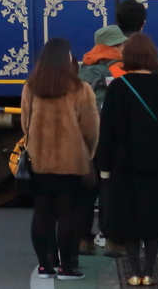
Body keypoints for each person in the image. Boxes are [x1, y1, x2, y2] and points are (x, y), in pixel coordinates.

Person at [98, 33, 158, 286]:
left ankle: (134, 273)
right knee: (153, 220)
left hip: (124, 166)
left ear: (127, 57)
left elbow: (107, 132)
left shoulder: (117, 88)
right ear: (151, 56)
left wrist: (104, 167)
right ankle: (150, 272)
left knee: (130, 219)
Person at [22, 38, 100, 281]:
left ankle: (45, 265)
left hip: (40, 160)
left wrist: (34, 144)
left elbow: (25, 123)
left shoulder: (32, 86)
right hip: (71, 161)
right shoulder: (81, 89)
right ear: (67, 60)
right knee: (69, 215)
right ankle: (67, 267)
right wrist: (87, 154)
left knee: (42, 213)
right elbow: (91, 129)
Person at [76, 25, 127, 259]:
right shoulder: (117, 69)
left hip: (85, 138)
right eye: (122, 44)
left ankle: (83, 240)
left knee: (86, 189)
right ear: (114, 46)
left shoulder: (82, 68)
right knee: (110, 189)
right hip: (110, 139)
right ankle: (112, 241)